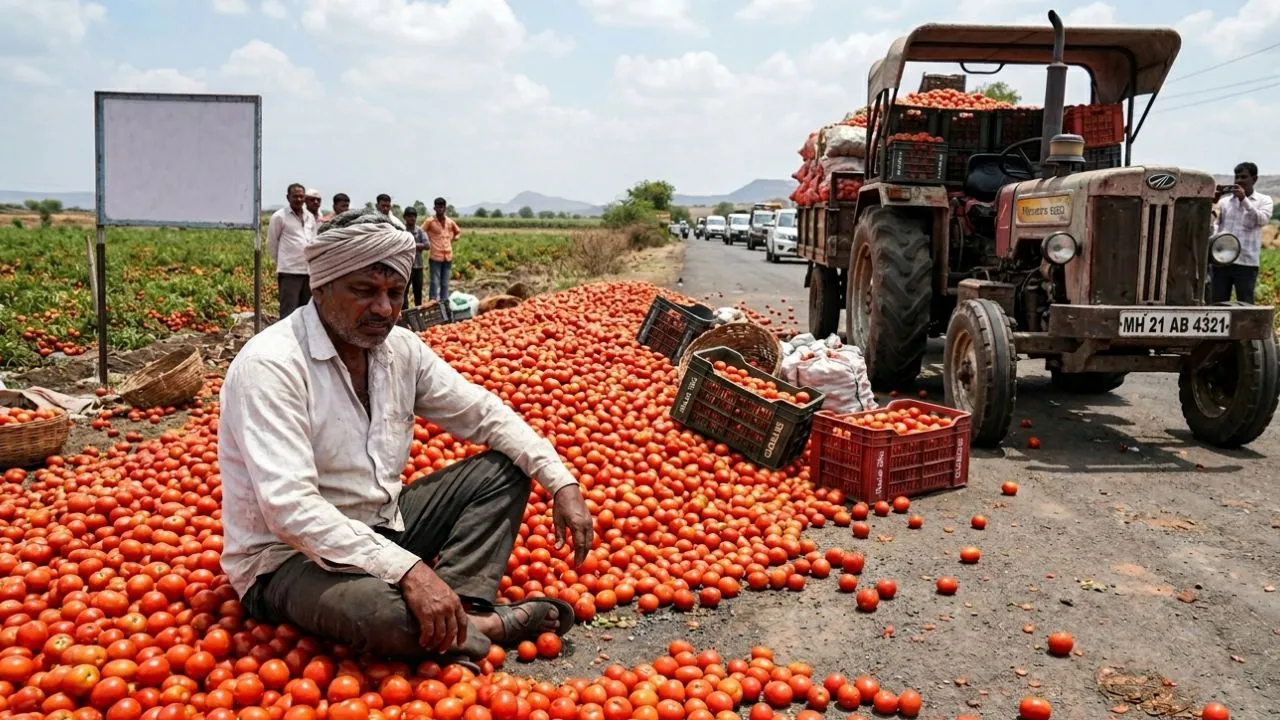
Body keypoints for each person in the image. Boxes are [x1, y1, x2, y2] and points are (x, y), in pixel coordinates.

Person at [218, 208, 593, 663]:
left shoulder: (400, 350)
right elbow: (289, 509)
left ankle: (460, 610)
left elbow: (484, 413)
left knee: (505, 468)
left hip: (382, 528)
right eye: (365, 291)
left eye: (395, 293)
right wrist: (410, 570)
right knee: (382, 616)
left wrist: (562, 481)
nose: (383, 308)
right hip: (288, 558)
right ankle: (486, 625)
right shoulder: (272, 366)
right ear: (321, 286)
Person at [1212, 162, 1274, 304]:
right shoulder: (1225, 202)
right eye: (1237, 177)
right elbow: (1215, 226)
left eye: (1243, 177)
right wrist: (1212, 202)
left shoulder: (1264, 201)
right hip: (1222, 261)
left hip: (1246, 262)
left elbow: (1262, 220)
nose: (1239, 181)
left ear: (1254, 179)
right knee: (1217, 303)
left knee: (1245, 304)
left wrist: (1244, 200)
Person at [267, 182, 317, 319]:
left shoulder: (310, 217)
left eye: (301, 196)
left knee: (307, 311)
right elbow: (272, 243)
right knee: (288, 312)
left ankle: (303, 340)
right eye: (295, 196)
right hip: (289, 272)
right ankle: (286, 340)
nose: (299, 200)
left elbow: (314, 240)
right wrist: (282, 262)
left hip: (308, 271)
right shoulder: (279, 216)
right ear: (288, 197)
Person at [424, 197, 462, 318]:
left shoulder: (450, 222)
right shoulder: (430, 221)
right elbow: (421, 232)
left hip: (448, 256)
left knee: (445, 283)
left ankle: (445, 307)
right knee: (434, 282)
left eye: (442, 207)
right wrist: (427, 241)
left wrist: (455, 238)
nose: (440, 209)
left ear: (445, 208)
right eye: (438, 207)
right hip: (435, 256)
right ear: (435, 208)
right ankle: (433, 306)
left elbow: (458, 232)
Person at [402, 206, 428, 308]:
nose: (412, 218)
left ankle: (419, 312)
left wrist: (411, 244)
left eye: (414, 216)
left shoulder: (420, 231)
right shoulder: (402, 230)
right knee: (404, 292)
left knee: (418, 292)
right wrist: (417, 245)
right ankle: (405, 313)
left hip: (418, 266)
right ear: (405, 217)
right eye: (409, 216)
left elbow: (427, 245)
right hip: (406, 267)